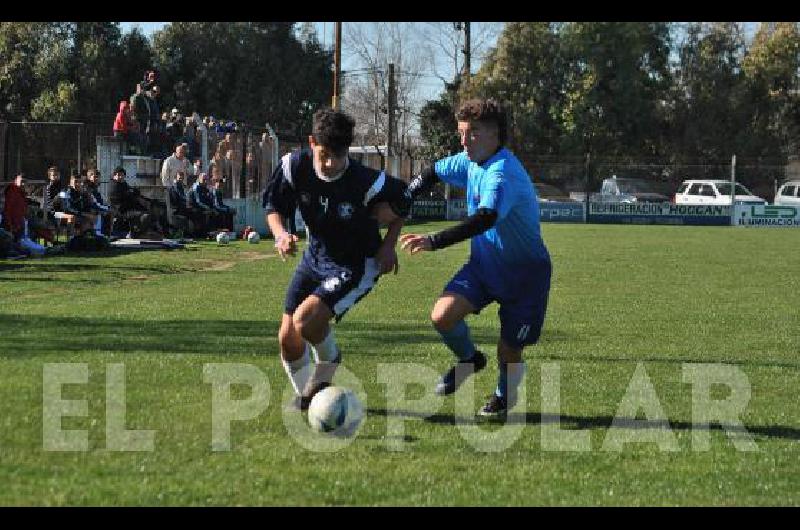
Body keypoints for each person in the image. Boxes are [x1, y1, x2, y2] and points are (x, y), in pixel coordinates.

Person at [399, 98, 552, 419]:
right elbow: (431, 172)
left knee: (509, 349)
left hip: (525, 276)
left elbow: (484, 218)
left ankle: (502, 395)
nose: (464, 141)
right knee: (442, 316)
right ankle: (469, 359)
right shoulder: (469, 160)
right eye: (462, 133)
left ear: (495, 135)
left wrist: (433, 241)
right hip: (484, 267)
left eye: (473, 133)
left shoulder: (503, 173)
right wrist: (405, 198)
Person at [262, 107, 411, 410]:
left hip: (355, 264)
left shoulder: (365, 181)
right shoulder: (294, 166)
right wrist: (280, 235)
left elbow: (403, 200)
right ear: (311, 142)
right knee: (288, 339)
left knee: (306, 321)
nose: (330, 164)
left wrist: (388, 246)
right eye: (324, 154)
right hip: (315, 257)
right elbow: (273, 205)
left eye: (338, 156)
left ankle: (329, 360)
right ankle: (312, 400)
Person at [86, 169, 112, 236]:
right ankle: (100, 234)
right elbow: (95, 204)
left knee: (108, 211)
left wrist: (107, 206)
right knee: (106, 212)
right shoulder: (89, 189)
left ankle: (105, 234)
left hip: (95, 208)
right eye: (95, 177)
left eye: (98, 177)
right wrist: (107, 208)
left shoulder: (95, 189)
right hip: (89, 209)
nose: (97, 179)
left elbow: (100, 202)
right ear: (89, 178)